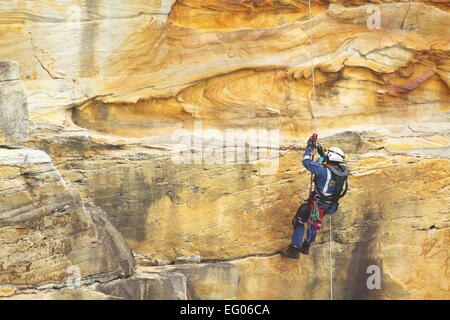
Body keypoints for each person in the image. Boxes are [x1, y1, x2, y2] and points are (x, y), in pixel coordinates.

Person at [282, 134, 349, 259]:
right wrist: (322, 153)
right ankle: (306, 245)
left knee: (301, 218)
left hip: (319, 204)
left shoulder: (322, 170)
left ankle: (295, 248)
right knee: (314, 222)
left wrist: (309, 148)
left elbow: (306, 161)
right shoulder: (343, 171)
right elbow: (332, 164)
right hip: (331, 205)